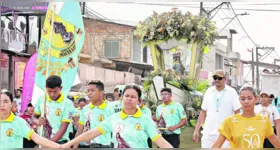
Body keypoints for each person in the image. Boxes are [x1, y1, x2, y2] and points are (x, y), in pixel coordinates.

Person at [61, 84, 173, 148]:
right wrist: (68, 144)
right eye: (126, 96)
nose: (129, 98)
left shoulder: (146, 120)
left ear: (139, 101)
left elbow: (161, 142)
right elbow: (90, 133)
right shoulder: (114, 118)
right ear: (122, 98)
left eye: (133, 97)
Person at [212, 86, 280, 148]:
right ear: (239, 100)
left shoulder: (264, 121)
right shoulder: (230, 121)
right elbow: (216, 146)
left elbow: (277, 144)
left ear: (256, 99)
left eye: (249, 98)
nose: (246, 101)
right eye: (243, 99)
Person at [193, 69, 241, 148]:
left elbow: (237, 113)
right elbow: (203, 112)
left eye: (220, 78)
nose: (217, 80)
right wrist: (196, 130)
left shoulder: (232, 92)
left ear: (225, 79)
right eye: (215, 78)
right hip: (208, 133)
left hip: (225, 134)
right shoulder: (209, 91)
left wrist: (237, 132)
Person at [34, 75, 78, 144]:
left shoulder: (67, 104)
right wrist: (38, 121)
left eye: (55, 91)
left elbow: (63, 129)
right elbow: (33, 117)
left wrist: (49, 145)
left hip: (60, 143)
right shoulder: (41, 99)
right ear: (45, 88)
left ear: (60, 88)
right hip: (42, 140)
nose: (52, 94)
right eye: (49, 91)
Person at [73, 80, 114, 148]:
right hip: (88, 145)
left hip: (104, 146)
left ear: (101, 93)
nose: (89, 93)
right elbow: (80, 130)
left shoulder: (109, 109)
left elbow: (114, 131)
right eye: (88, 91)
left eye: (92, 90)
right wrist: (75, 147)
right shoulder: (85, 109)